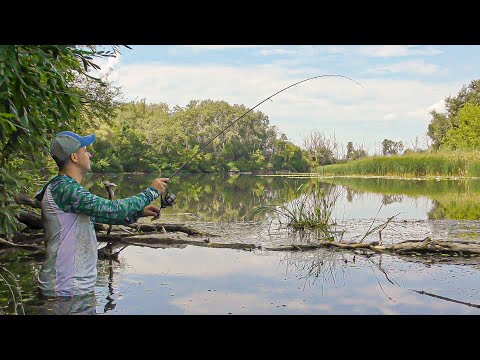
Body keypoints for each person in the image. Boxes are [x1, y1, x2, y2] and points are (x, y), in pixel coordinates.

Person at [35, 131, 169, 302]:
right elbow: (112, 209)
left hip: (72, 289)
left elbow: (105, 216)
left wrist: (138, 212)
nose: (89, 154)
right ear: (74, 157)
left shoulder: (66, 188)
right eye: (85, 150)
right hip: (64, 290)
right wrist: (151, 192)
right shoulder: (64, 188)